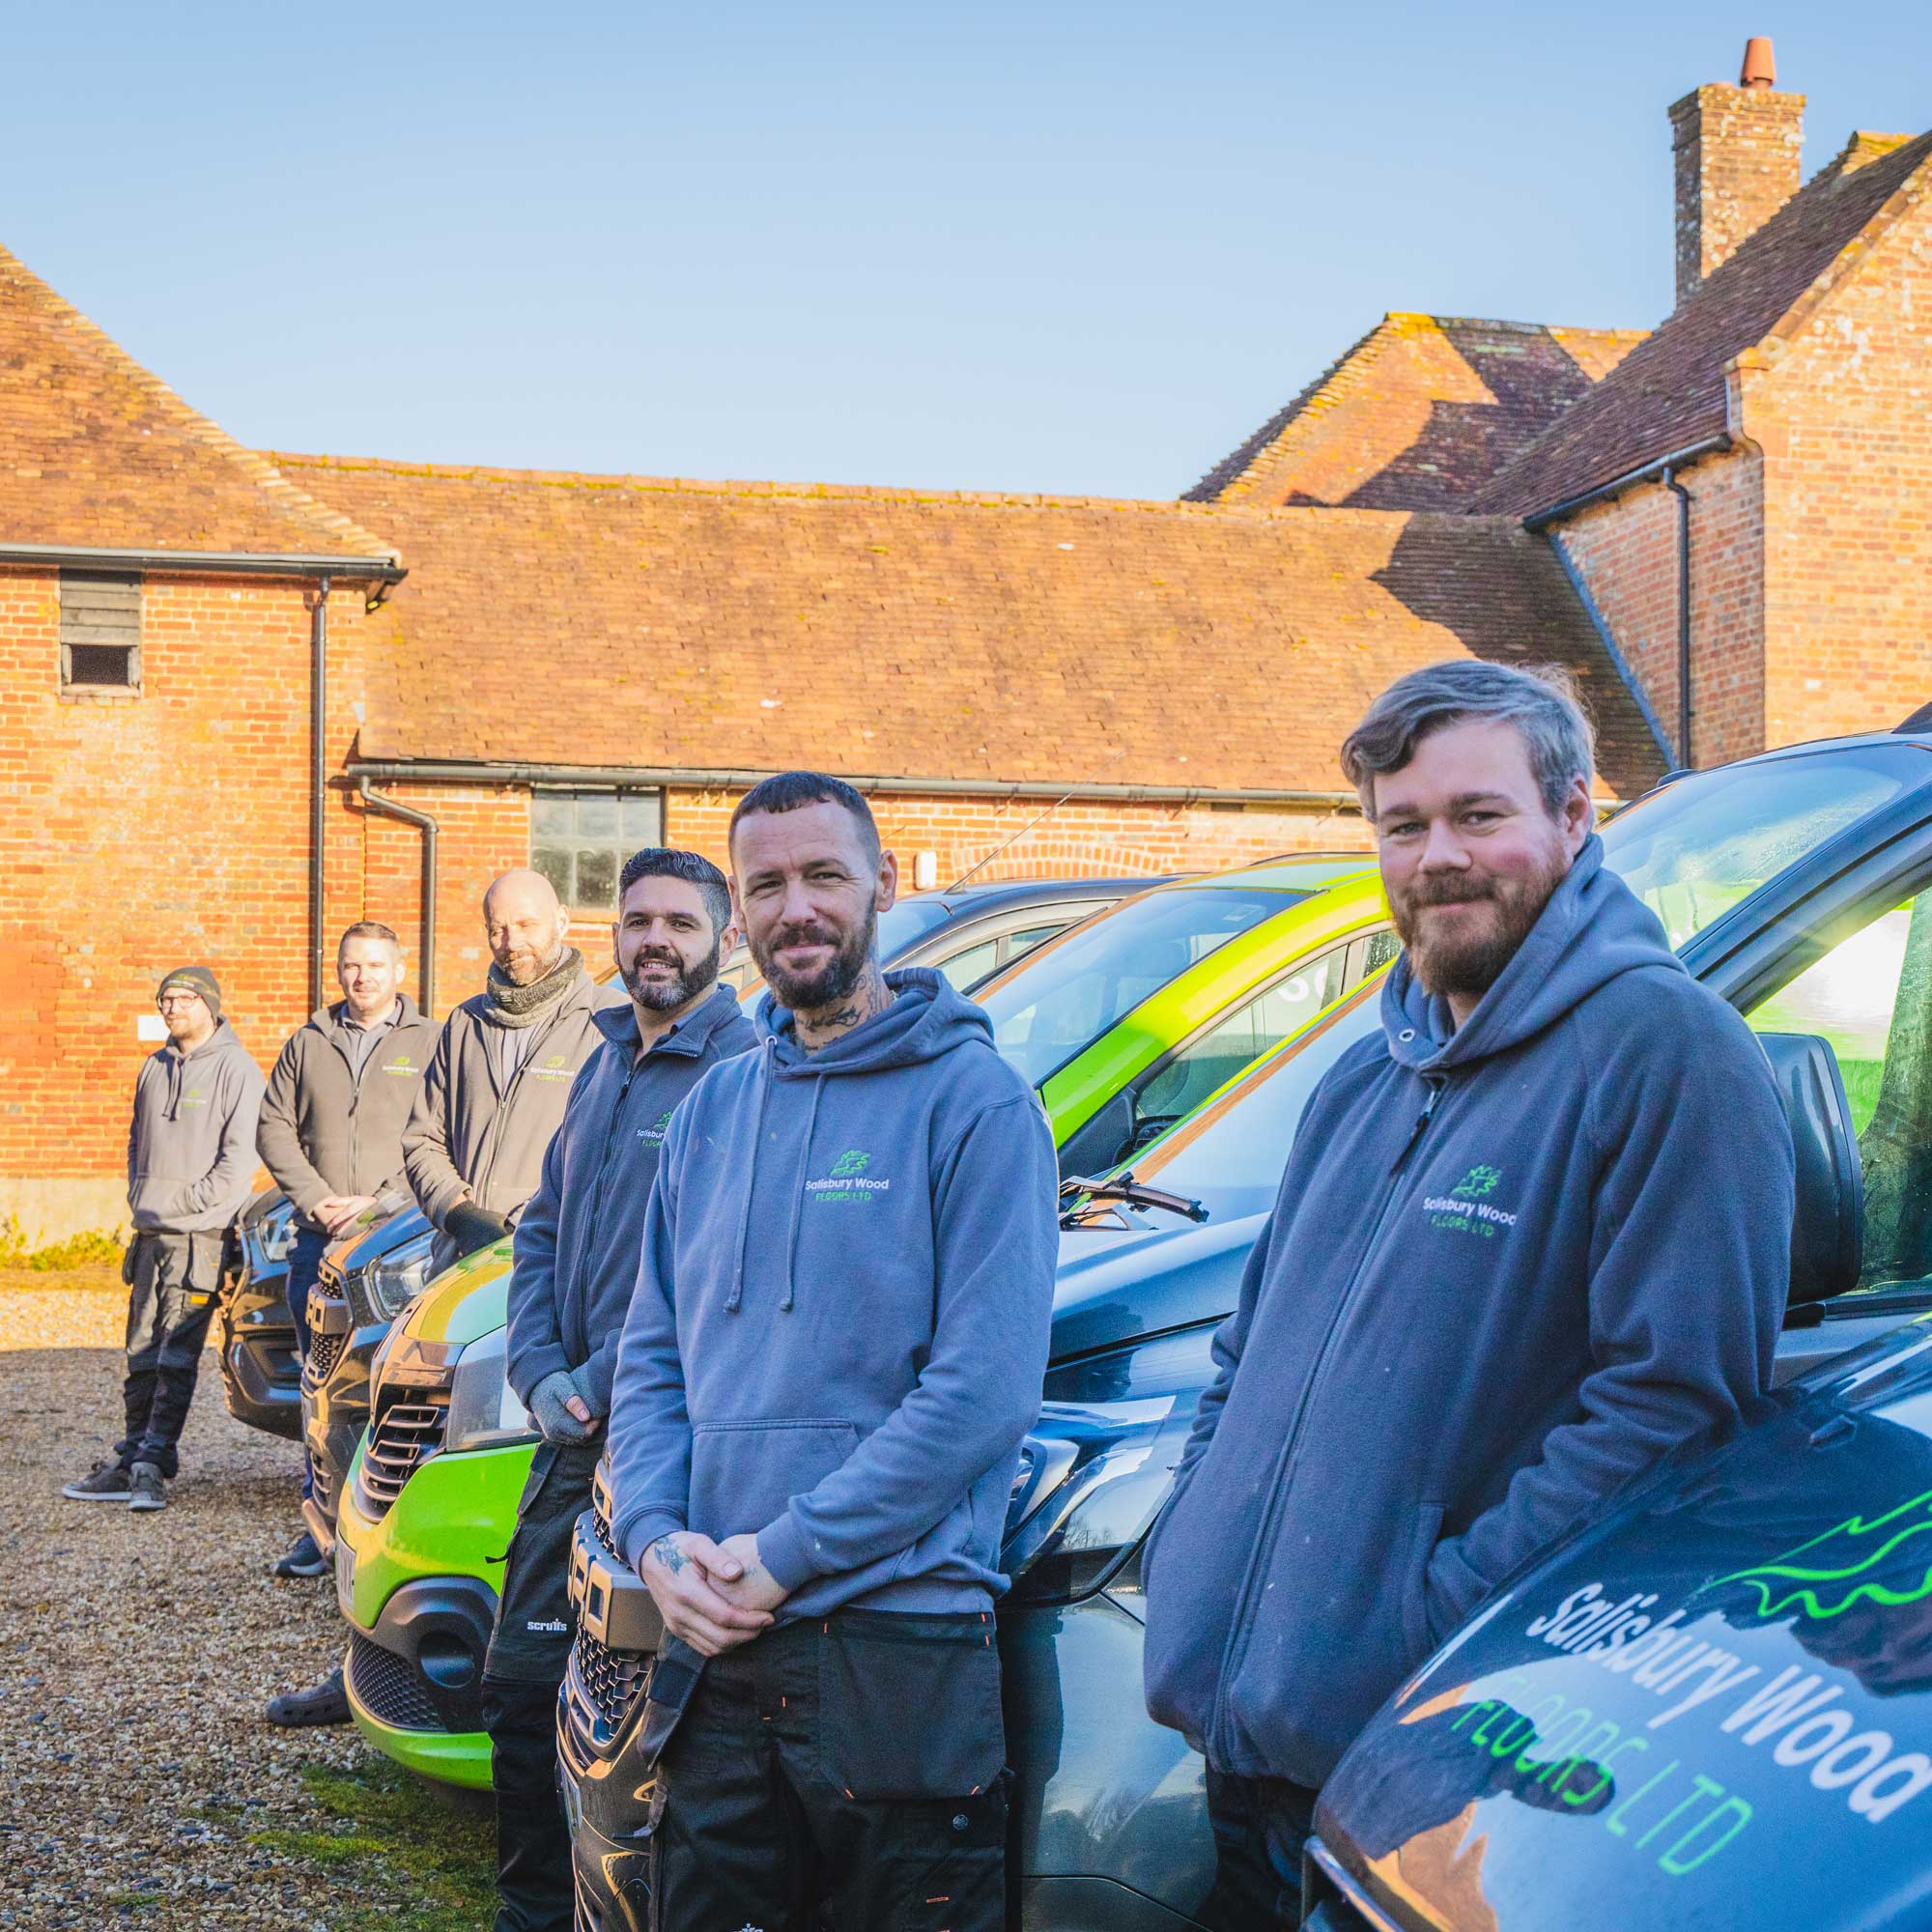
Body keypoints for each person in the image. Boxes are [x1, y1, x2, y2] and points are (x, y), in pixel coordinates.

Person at [1140, 660, 1796, 1926]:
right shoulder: (1366, 1077)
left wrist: (1419, 1624)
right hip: (1252, 1754)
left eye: (1479, 815)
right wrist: (1196, 1543)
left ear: (1572, 821)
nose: (1439, 855)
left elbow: (1676, 1411)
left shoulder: (1668, 1054)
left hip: (1445, 1786)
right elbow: (1246, 1353)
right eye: (1405, 825)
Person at [606, 772, 1059, 1932]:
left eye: (822, 875)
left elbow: (981, 1394)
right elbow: (654, 1354)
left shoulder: (978, 1102)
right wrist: (656, 1541)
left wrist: (789, 1550)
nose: (794, 907)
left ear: (884, 885)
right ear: (740, 910)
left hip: (894, 1650)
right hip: (713, 1636)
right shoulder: (712, 1110)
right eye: (765, 884)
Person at [486, 848, 754, 1932]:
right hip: (568, 1435)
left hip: (658, 1450)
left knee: (638, 1731)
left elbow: (701, 1268)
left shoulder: (739, 1068)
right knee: (518, 1692)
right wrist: (536, 1367)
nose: (655, 939)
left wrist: (594, 1382)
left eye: (680, 923)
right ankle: (533, 1914)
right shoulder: (604, 1060)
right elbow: (542, 1224)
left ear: (722, 939)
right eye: (638, 917)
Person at [257, 921, 437, 1728]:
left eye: (374, 965)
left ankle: (388, 1528)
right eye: (349, 966)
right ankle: (319, 1525)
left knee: (394, 1392)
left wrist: (380, 1203)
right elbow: (273, 1131)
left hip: (398, 1243)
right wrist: (316, 1200)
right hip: (317, 1241)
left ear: (399, 970)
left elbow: (439, 1133)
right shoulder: (308, 1042)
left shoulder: (432, 1040)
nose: (360, 977)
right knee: (320, 1391)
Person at [64, 966, 266, 1513]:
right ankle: (130, 1458)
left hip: (200, 1238)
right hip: (149, 1235)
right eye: (165, 1000)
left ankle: (155, 1463)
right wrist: (140, 1199)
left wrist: (176, 1206)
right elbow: (136, 1144)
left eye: (182, 999)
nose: (172, 1008)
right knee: (139, 1351)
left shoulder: (237, 1071)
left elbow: (236, 1166)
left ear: (209, 1005)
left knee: (175, 1353)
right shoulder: (152, 1068)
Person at [402, 869, 618, 1273]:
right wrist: (460, 1213)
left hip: (549, 1270)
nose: (511, 943)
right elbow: (422, 1140)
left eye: (525, 925)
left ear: (563, 920)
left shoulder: (606, 1023)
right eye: (497, 929)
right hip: (458, 1268)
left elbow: (608, 1157)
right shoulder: (465, 1023)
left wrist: (519, 1226)